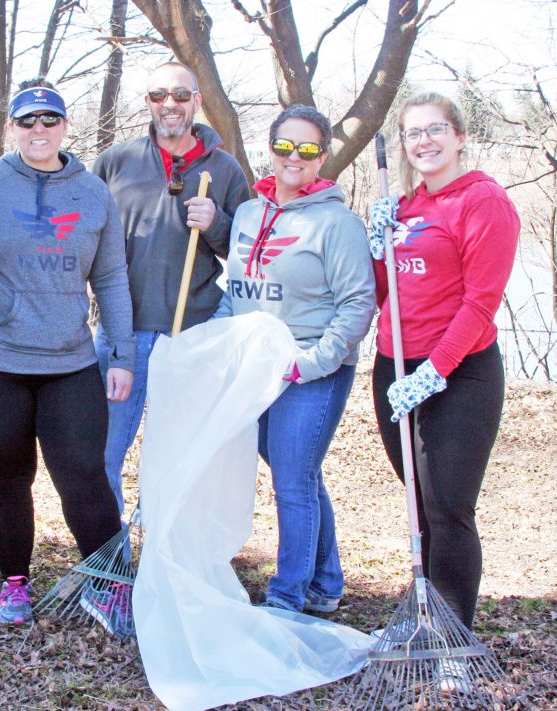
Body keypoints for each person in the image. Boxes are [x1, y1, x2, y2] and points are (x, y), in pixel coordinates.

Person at [0, 80, 137, 638]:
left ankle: (108, 585)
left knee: (85, 477)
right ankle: (15, 581)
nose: (38, 130)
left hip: (70, 361)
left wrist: (122, 353)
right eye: (27, 121)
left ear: (65, 126)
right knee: (9, 476)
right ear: (12, 127)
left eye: (49, 120)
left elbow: (109, 276)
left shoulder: (93, 193)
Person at [368, 92, 520, 651]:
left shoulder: (483, 202)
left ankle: (455, 638)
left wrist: (434, 372)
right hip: (393, 367)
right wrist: (378, 246)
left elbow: (481, 303)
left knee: (448, 506)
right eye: (412, 133)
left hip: (459, 376)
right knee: (419, 501)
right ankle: (422, 614)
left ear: (459, 136)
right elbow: (386, 293)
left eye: (436, 129)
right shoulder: (405, 207)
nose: (424, 141)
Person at [214, 104, 375, 614]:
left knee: (292, 479)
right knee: (298, 472)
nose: (294, 157)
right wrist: (218, 342)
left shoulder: (338, 223)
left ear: (322, 157)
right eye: (285, 146)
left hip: (311, 371)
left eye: (307, 149)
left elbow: (358, 305)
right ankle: (326, 583)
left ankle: (288, 595)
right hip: (257, 367)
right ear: (271, 148)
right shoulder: (246, 213)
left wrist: (311, 362)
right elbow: (236, 289)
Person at [92, 62, 251, 514]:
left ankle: (166, 562)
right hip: (121, 334)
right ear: (147, 102)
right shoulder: (115, 162)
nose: (170, 104)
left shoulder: (224, 169)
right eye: (159, 95)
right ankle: (112, 568)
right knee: (104, 454)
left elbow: (247, 256)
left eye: (181, 95)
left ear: (197, 101)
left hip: (190, 335)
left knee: (176, 457)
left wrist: (217, 223)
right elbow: (86, 238)